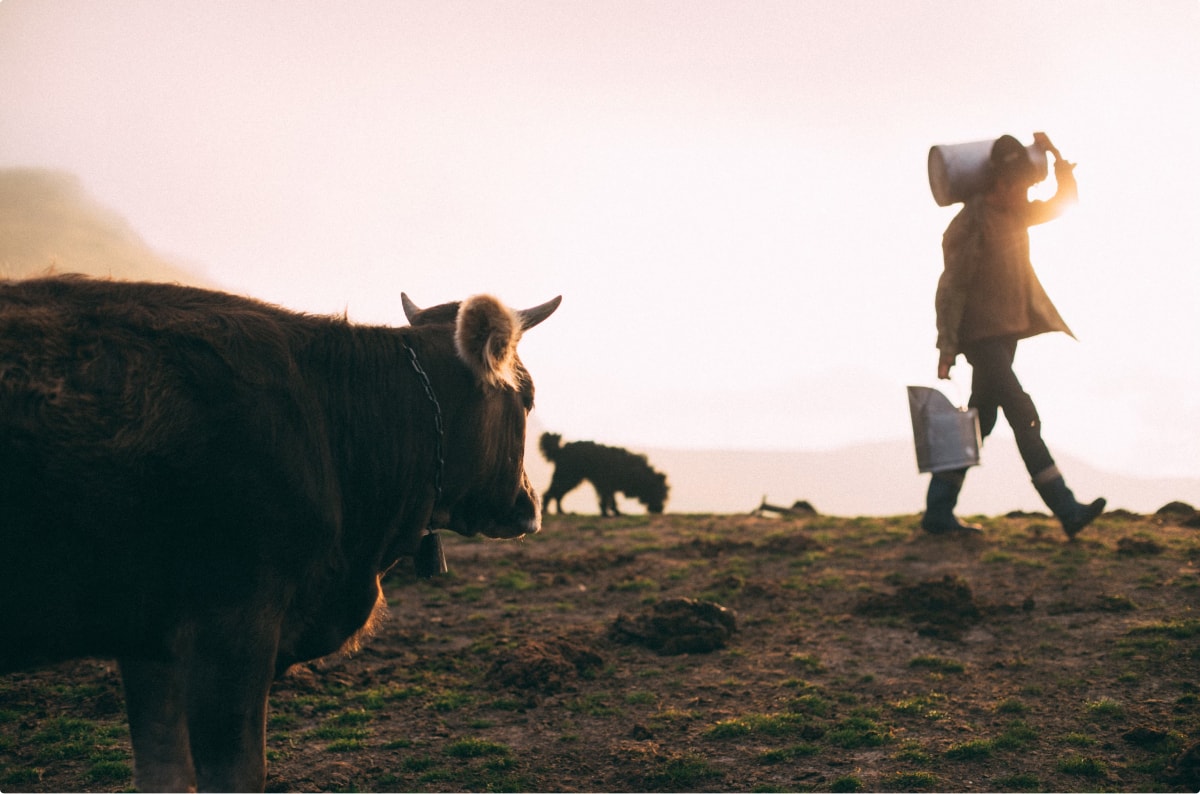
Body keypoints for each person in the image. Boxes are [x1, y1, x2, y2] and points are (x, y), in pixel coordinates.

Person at [925, 132, 1105, 539]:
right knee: (1023, 412)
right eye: (1018, 187)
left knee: (980, 422)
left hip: (1006, 336)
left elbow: (1064, 204)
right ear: (997, 185)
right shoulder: (969, 224)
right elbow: (950, 290)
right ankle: (1065, 506)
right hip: (980, 338)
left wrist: (1058, 158)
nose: (1024, 194)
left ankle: (938, 512)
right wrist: (947, 348)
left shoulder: (1017, 212)